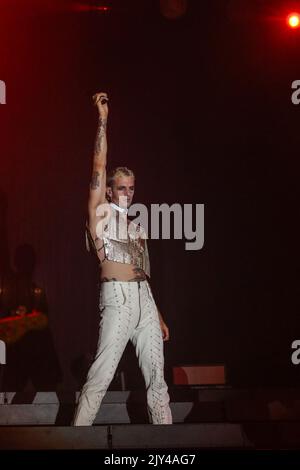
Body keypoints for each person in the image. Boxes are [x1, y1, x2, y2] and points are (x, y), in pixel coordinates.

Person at [73, 92, 172, 425]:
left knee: (158, 381)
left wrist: (157, 314)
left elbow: (144, 276)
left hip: (144, 302)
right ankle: (72, 443)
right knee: (100, 377)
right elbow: (98, 165)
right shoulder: (99, 214)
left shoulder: (139, 228)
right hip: (117, 299)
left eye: (131, 188)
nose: (127, 193)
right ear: (111, 190)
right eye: (121, 188)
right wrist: (102, 119)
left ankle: (170, 451)